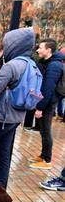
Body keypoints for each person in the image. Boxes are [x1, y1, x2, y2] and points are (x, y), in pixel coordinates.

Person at [0, 28, 37, 188]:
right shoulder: (31, 64)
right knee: (4, 155)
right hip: (16, 116)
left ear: (14, 45)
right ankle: (0, 189)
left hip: (0, 117)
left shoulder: (11, 66)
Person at [30, 39, 64, 170]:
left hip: (49, 103)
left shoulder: (54, 65)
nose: (38, 50)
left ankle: (47, 159)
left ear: (48, 50)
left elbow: (48, 88)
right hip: (48, 102)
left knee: (46, 130)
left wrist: (40, 107)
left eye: (41, 48)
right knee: (43, 130)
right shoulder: (50, 63)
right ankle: (43, 155)